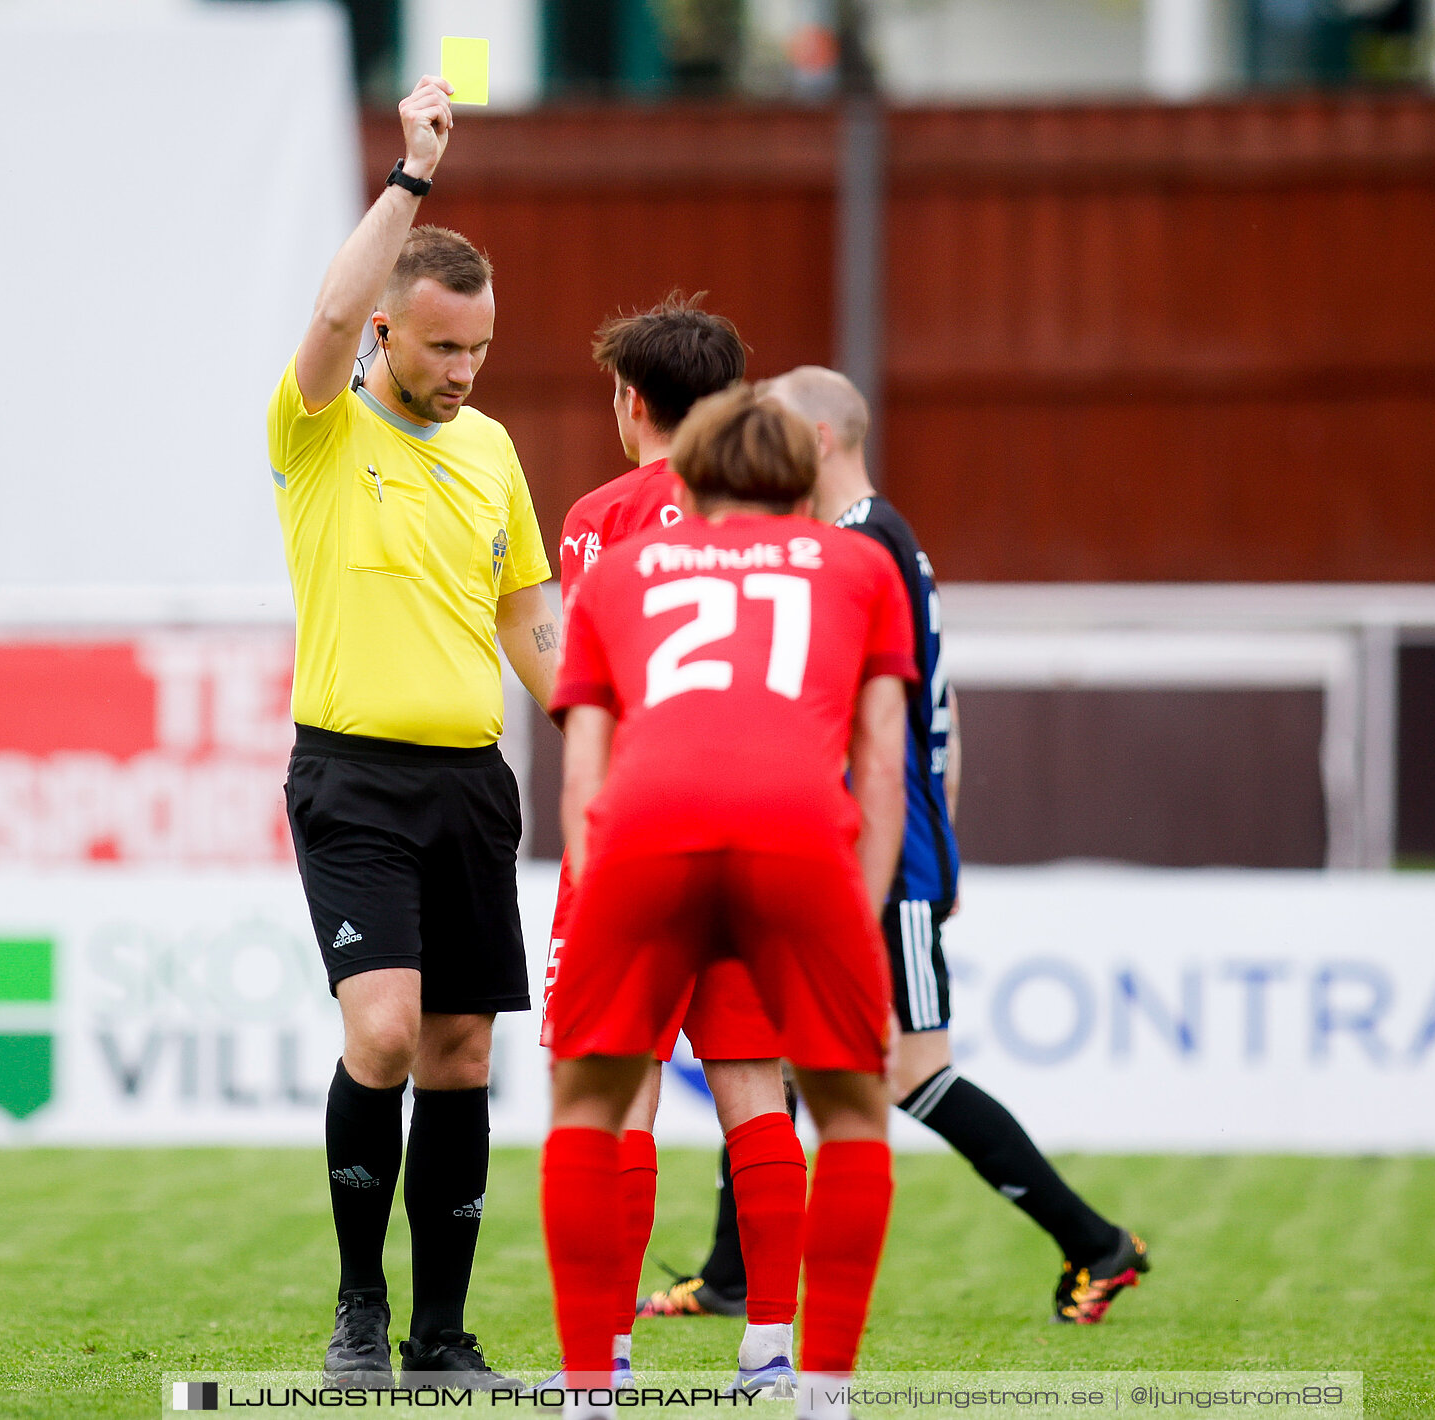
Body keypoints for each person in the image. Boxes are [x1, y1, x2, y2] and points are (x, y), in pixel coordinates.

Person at [640, 367, 1151, 1327]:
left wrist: (928, 856)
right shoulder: (869, 541)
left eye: (778, 432)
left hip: (885, 851)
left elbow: (896, 722)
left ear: (820, 442)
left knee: (912, 1070)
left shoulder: (861, 544)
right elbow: (939, 712)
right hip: (861, 840)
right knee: (772, 1053)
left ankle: (1097, 1244)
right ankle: (732, 1273)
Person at [267, 75, 560, 1387]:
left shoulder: (494, 450)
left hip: (471, 786)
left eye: (480, 352)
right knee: (382, 1032)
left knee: (460, 1051)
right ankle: (359, 1316)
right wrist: (412, 172)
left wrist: (620, 730)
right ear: (390, 331)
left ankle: (443, 1339)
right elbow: (329, 308)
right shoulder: (317, 427)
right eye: (443, 350)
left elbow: (533, 627)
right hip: (353, 779)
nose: (463, 374)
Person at [543, 385, 913, 1420]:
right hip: (797, 835)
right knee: (845, 1112)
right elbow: (880, 767)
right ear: (800, 475)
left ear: (688, 478)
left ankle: (592, 1386)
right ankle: (808, 1380)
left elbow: (584, 771)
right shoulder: (858, 564)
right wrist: (856, 910)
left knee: (590, 1104)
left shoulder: (618, 569)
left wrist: (600, 897)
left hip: (645, 835)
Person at [541, 297, 807, 1393]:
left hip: (636, 826)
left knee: (622, 1093)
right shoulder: (784, 527)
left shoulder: (597, 517)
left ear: (631, 401)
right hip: (755, 826)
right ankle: (772, 1344)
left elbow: (585, 699)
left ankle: (606, 1352)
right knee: (755, 1086)